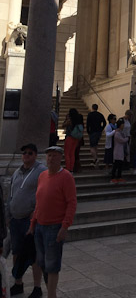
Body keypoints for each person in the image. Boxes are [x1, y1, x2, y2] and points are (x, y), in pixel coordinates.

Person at [28, 146, 77, 298]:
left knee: (52, 265)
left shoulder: (66, 177)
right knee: (42, 262)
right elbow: (39, 201)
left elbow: (71, 203)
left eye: (54, 156)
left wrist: (65, 226)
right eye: (49, 156)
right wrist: (32, 223)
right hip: (40, 226)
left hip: (54, 227)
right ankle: (50, 290)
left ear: (60, 158)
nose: (51, 159)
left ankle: (51, 295)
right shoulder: (42, 176)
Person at [7, 143, 46, 298]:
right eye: (24, 153)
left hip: (30, 220)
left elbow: (43, 195)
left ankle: (37, 287)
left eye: (30, 153)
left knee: (33, 254)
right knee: (16, 252)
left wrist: (35, 215)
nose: (26, 156)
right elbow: (11, 194)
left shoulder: (41, 172)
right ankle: (18, 283)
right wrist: (8, 216)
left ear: (35, 155)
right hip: (15, 219)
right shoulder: (17, 172)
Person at [62, 109, 84, 173]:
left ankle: (68, 168)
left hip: (69, 137)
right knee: (72, 153)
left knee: (67, 153)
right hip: (76, 138)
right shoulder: (78, 120)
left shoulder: (70, 120)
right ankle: (71, 168)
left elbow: (63, 125)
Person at [86, 104, 106, 169]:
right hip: (98, 131)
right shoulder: (100, 115)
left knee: (92, 146)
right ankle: (95, 159)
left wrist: (88, 131)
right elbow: (104, 122)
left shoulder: (90, 115)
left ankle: (96, 159)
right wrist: (101, 129)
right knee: (95, 145)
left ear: (92, 108)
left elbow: (87, 123)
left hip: (92, 131)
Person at [110, 119, 128, 183]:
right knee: (116, 165)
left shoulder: (121, 132)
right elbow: (122, 140)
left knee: (120, 165)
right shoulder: (117, 133)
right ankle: (113, 177)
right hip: (117, 151)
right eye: (122, 124)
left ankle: (119, 176)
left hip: (121, 151)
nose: (123, 126)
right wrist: (127, 138)